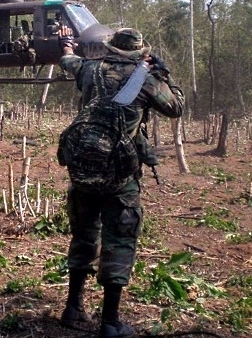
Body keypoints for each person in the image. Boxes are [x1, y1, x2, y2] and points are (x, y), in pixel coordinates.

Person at [57, 26, 185, 338]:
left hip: (84, 169)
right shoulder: (148, 79)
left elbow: (68, 62)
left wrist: (67, 46)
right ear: (142, 53)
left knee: (84, 234)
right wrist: (164, 73)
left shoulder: (90, 71)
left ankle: (73, 308)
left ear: (112, 49)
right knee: (120, 239)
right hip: (120, 174)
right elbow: (176, 107)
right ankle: (111, 322)